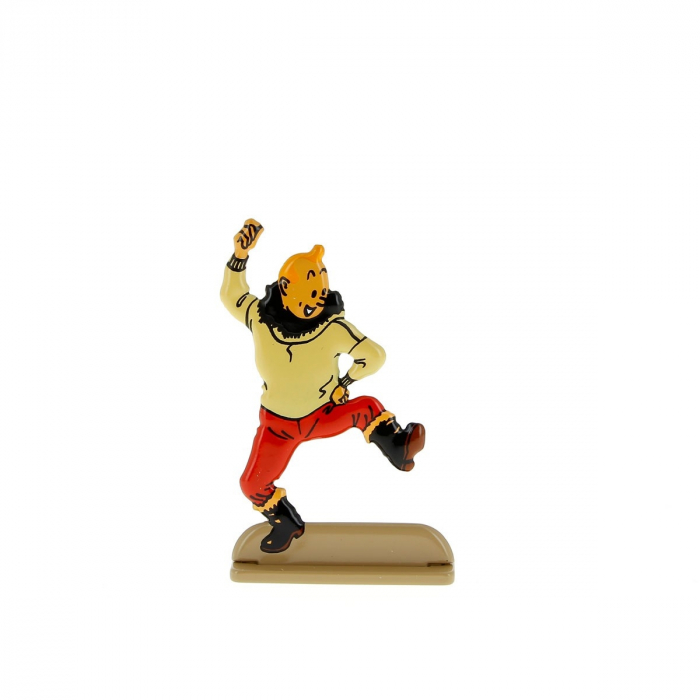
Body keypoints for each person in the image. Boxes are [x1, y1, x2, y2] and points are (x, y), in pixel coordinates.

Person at [221, 219, 425, 553]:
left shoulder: (332, 328)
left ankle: (398, 446)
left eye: (320, 296)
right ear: (284, 288)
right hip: (277, 427)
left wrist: (345, 382)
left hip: (321, 414)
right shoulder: (259, 317)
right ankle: (285, 523)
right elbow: (231, 295)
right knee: (252, 484)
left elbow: (373, 356)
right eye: (308, 296)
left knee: (365, 407)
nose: (314, 305)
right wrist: (239, 256)